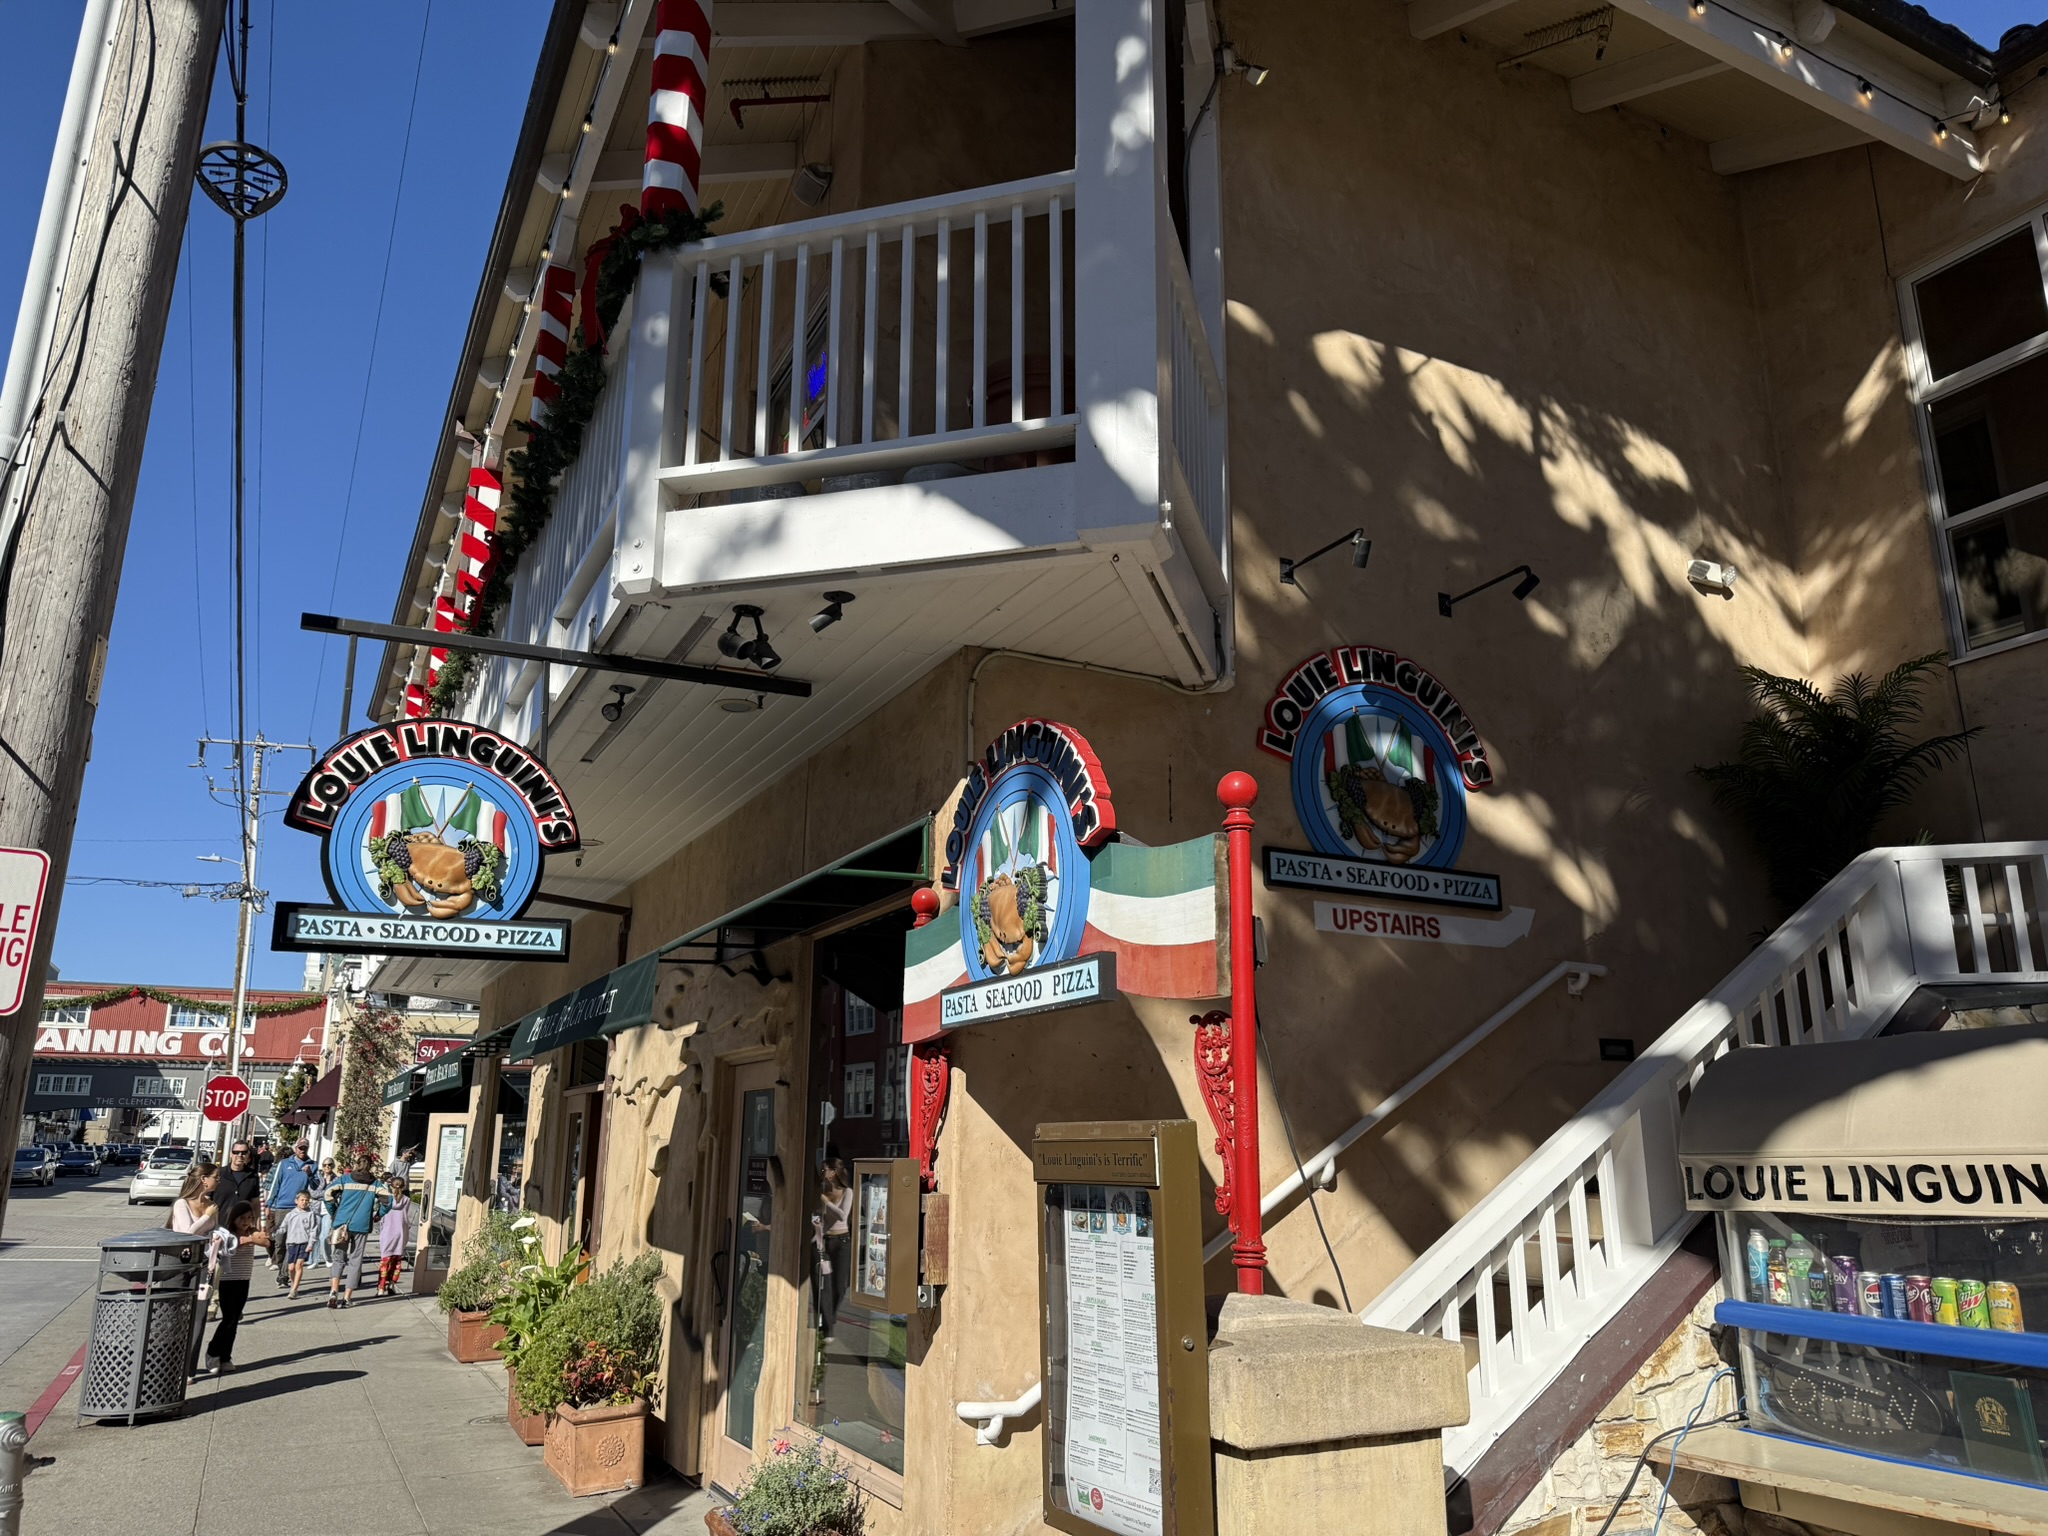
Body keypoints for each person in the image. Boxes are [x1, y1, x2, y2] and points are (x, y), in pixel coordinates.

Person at [196, 1201, 271, 1376]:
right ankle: (213, 1352)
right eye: (242, 1218)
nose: (246, 1221)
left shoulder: (250, 1232)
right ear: (233, 1218)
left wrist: (253, 1237)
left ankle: (225, 1356)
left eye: (249, 1218)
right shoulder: (228, 1234)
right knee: (229, 1318)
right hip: (228, 1280)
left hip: (244, 1279)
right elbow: (237, 1243)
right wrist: (252, 1238)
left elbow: (267, 1242)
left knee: (235, 1319)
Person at [325, 1157, 388, 1308]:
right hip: (362, 1224)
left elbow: (327, 1195)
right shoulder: (375, 1183)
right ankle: (347, 1297)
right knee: (355, 1260)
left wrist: (334, 1212)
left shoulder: (345, 1179)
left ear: (356, 1164)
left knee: (338, 1257)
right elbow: (388, 1200)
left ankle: (334, 1290)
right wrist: (379, 1214)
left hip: (342, 1222)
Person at [264, 1140, 317, 1287]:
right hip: (281, 1206)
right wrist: (269, 1203)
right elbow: (275, 1184)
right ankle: (282, 1267)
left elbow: (316, 1186)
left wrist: (310, 1174)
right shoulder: (284, 1163)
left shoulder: (312, 1164)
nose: (302, 1150)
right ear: (295, 1148)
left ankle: (283, 1276)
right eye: (300, 1148)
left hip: (299, 1209)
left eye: (305, 1148)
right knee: (280, 1242)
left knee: (292, 1243)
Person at [815, 1158, 852, 1338]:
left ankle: (830, 1316)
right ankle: (827, 1328)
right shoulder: (821, 1192)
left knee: (840, 1286)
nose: (823, 1174)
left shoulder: (847, 1192)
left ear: (834, 1172)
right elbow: (816, 1218)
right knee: (826, 1286)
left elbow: (842, 1215)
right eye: (821, 1171)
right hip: (826, 1243)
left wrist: (826, 1203)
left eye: (826, 1170)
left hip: (843, 1242)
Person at [277, 1188, 320, 1298]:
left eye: (306, 1200)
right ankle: (293, 1283)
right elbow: (283, 1227)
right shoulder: (290, 1214)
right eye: (302, 1200)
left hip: (304, 1243)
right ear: (296, 1201)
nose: (304, 1202)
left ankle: (294, 1289)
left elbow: (313, 1230)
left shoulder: (310, 1214)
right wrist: (273, 1234)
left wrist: (311, 1244)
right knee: (291, 1268)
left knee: (299, 1265)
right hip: (292, 1243)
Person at [376, 1176, 415, 1296]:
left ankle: (381, 1287)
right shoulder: (407, 1200)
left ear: (391, 1186)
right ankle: (391, 1285)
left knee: (385, 1261)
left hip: (388, 1231)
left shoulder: (386, 1199)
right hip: (400, 1232)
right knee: (396, 1261)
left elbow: (381, 1215)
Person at [169, 1163, 220, 1235]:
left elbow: (215, 1229)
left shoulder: (212, 1205)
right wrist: (207, 1215)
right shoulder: (182, 1204)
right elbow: (187, 1233)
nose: (218, 1181)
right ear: (203, 1179)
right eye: (216, 1177)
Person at [217, 1138, 261, 1215]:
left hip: (241, 1225)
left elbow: (255, 1204)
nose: (240, 1155)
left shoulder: (253, 1176)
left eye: (244, 1152)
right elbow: (206, 1199)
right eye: (236, 1152)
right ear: (231, 1154)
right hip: (219, 1223)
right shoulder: (219, 1174)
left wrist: (256, 1225)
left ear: (248, 1154)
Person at [308, 1157, 336, 1268]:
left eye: (329, 1165)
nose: (327, 1167)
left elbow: (335, 1193)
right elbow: (313, 1193)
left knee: (325, 1235)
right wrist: (325, 1188)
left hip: (328, 1209)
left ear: (333, 1166)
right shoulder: (317, 1177)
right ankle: (314, 1260)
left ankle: (327, 1258)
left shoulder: (337, 1179)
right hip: (316, 1208)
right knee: (315, 1234)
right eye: (325, 1165)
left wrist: (323, 1192)